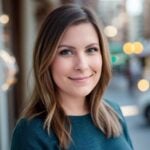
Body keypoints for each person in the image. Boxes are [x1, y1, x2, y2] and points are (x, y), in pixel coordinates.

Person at [11, 4, 133, 150]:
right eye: (66, 52)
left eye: (91, 50)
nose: (82, 65)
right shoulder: (31, 132)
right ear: (46, 59)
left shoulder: (114, 112)